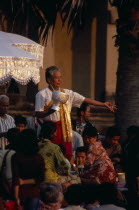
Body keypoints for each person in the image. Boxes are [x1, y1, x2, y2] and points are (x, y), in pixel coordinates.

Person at [35, 66, 116, 160]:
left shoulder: (67, 93)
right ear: (49, 80)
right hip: (50, 129)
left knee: (66, 153)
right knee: (51, 154)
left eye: (61, 77)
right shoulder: (42, 94)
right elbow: (38, 114)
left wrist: (103, 104)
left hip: (66, 127)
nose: (60, 80)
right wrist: (50, 111)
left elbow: (85, 99)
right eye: (57, 78)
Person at [11, 129, 45, 210]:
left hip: (20, 192)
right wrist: (25, 182)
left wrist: (16, 198)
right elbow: (41, 178)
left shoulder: (16, 157)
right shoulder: (39, 158)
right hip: (34, 192)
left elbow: (16, 179)